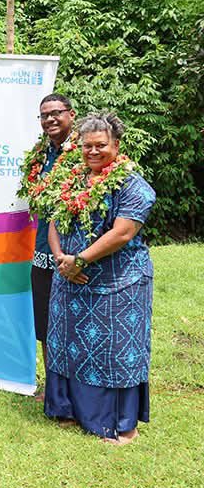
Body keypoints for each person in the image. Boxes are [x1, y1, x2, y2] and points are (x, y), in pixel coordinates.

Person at [44, 113, 155, 445]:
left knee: (114, 350)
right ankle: (68, 410)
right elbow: (54, 220)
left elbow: (122, 234)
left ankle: (121, 424)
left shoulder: (134, 185)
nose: (92, 152)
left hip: (118, 285)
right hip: (70, 279)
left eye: (100, 146)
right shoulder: (74, 179)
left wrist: (79, 260)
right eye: (86, 146)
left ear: (116, 145)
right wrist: (62, 259)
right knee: (66, 344)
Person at [17, 93, 78, 398]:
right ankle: (53, 385)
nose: (51, 119)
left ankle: (79, 387)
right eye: (44, 115)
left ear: (71, 114)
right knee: (45, 319)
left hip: (76, 251)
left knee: (75, 320)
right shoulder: (42, 154)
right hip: (43, 249)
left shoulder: (85, 152)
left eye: (57, 113)